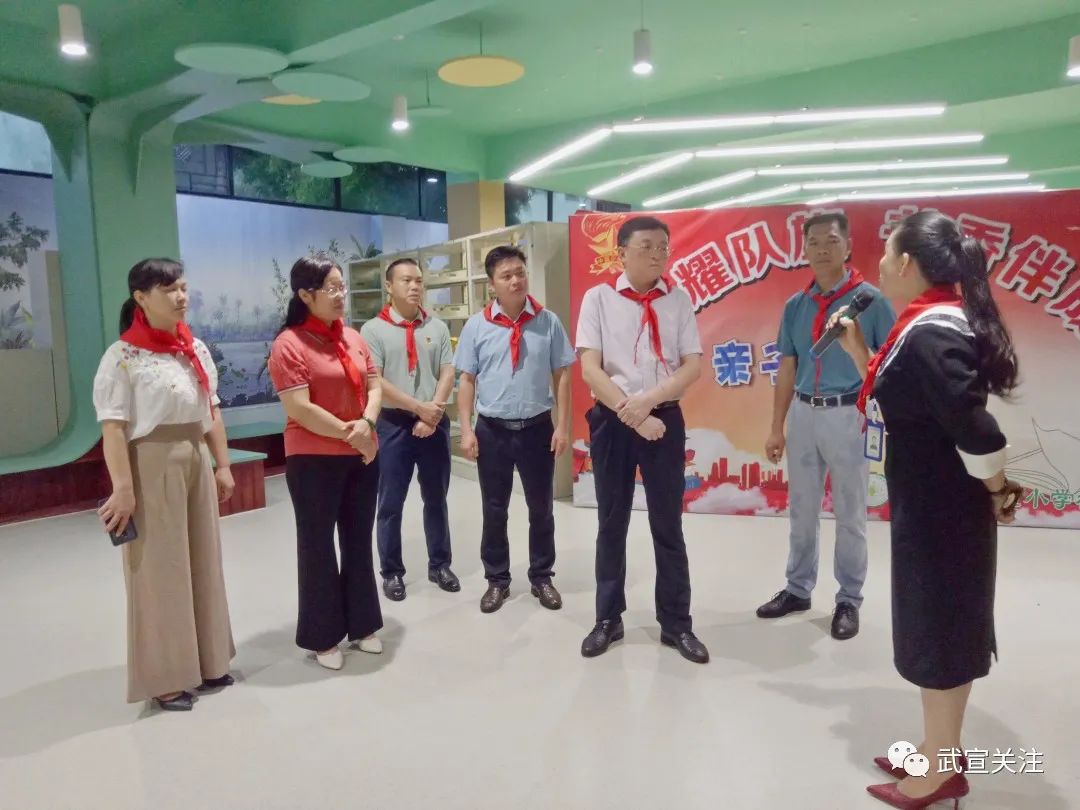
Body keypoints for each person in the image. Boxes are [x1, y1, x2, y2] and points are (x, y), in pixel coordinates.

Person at [830, 210, 1022, 809]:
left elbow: (974, 428)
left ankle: (941, 771)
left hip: (944, 515)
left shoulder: (934, 331)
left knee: (939, 632)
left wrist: (999, 490)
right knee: (933, 625)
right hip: (930, 507)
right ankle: (940, 748)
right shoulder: (922, 323)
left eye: (886, 254)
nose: (881, 266)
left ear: (907, 263)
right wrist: (859, 352)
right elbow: (910, 402)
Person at [93, 258, 236, 711]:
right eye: (169, 289)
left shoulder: (194, 348)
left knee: (204, 560)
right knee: (158, 570)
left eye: (183, 288)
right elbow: (113, 429)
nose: (181, 297)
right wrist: (123, 488)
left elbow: (211, 411)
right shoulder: (122, 356)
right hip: (151, 463)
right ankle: (167, 678)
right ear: (141, 297)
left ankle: (210, 660)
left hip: (194, 456)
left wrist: (223, 464)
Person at [576, 215, 709, 664]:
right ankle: (607, 619)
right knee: (611, 523)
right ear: (622, 253)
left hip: (663, 420)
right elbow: (590, 369)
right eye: (647, 246)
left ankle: (676, 623)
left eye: (663, 247)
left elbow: (692, 365)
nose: (658, 255)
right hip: (613, 420)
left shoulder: (678, 299)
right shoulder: (598, 299)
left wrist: (648, 404)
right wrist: (632, 415)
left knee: (668, 524)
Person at [757, 212, 896, 640]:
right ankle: (798, 589)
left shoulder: (870, 301)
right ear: (804, 249)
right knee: (801, 508)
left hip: (848, 414)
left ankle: (848, 599)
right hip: (803, 413)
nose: (821, 249)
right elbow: (787, 366)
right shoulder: (796, 306)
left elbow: (890, 362)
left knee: (850, 512)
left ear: (847, 246)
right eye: (813, 242)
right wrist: (777, 426)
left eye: (831, 240)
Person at [268, 255, 384, 671]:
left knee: (358, 540)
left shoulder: (352, 337)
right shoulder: (289, 344)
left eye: (341, 287)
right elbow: (299, 408)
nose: (340, 295)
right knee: (317, 546)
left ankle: (363, 624)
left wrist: (367, 424)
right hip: (314, 459)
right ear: (305, 294)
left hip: (361, 454)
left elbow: (374, 386)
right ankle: (322, 637)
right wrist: (353, 434)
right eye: (331, 288)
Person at [455, 245, 576, 614]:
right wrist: (466, 429)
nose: (516, 280)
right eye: (506, 275)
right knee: (494, 509)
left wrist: (563, 426)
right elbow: (467, 380)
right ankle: (497, 580)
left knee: (541, 507)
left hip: (537, 429)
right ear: (492, 284)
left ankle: (542, 576)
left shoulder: (548, 322)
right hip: (492, 431)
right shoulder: (477, 326)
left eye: (520, 272)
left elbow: (562, 375)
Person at [360, 257, 459, 601]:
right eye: (406, 280)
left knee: (437, 498)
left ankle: (440, 564)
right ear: (389, 286)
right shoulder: (373, 330)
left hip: (434, 422)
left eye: (419, 280)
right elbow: (376, 382)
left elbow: (448, 371)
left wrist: (432, 413)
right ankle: (391, 572)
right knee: (390, 502)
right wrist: (419, 409)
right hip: (393, 424)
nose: (415, 286)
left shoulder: (437, 327)